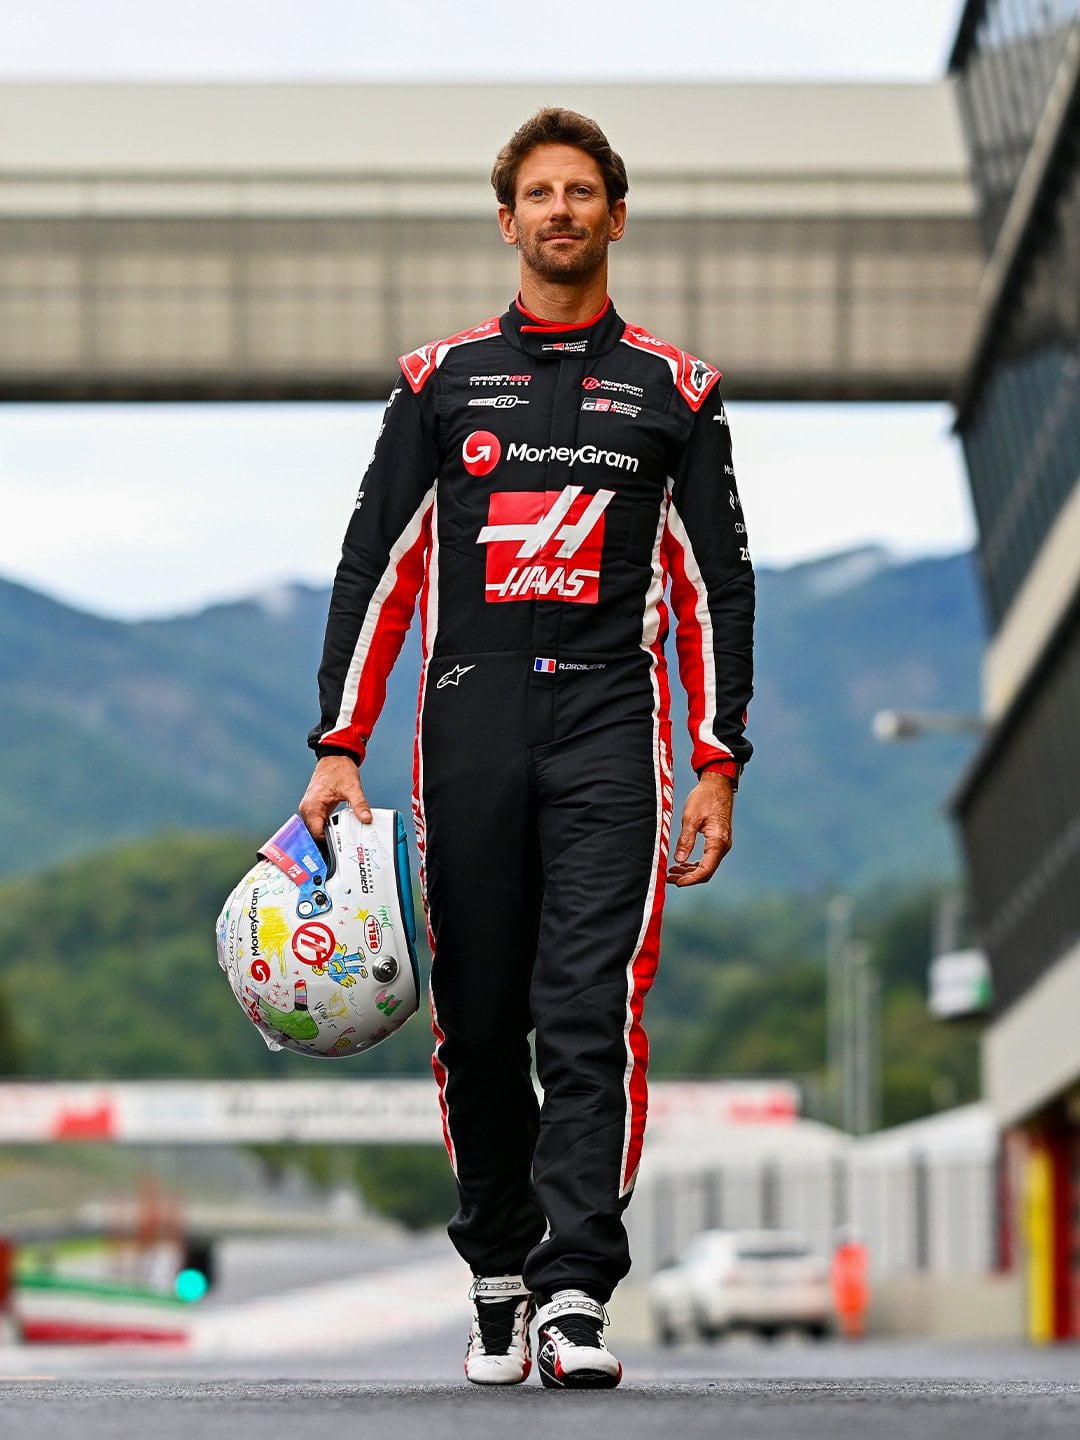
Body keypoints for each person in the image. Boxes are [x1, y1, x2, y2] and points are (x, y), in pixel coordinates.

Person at [298, 107, 754, 1389]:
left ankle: (574, 1292)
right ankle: (497, 1271)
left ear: (617, 214)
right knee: (482, 1013)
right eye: (538, 194)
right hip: (469, 714)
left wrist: (717, 758)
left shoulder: (677, 391)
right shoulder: (440, 382)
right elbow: (374, 571)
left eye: (583, 192)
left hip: (614, 718)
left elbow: (720, 589)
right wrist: (341, 744)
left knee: (588, 1008)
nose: (561, 211)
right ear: (508, 221)